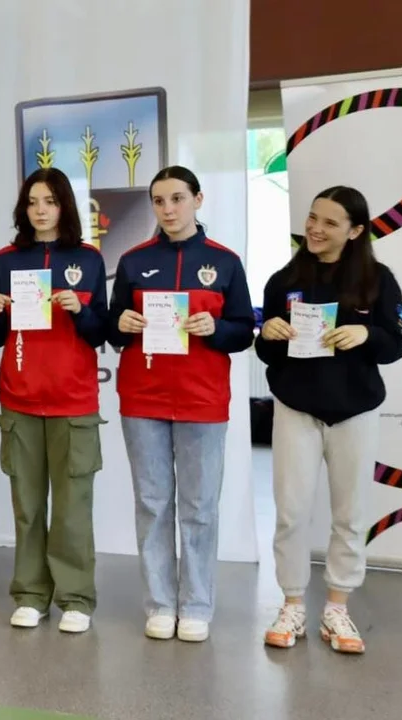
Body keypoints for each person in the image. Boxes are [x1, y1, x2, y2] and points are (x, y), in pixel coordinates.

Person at [255, 186, 402, 654]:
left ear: (355, 231)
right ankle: (292, 604)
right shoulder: (284, 279)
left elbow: (395, 344)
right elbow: (265, 351)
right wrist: (269, 333)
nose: (315, 229)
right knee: (291, 512)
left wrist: (367, 334)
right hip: (296, 409)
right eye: (312, 217)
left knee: (350, 514)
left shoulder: (378, 279)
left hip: (355, 410)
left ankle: (337, 607)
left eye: (330, 223)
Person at [109, 165, 255, 643]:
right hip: (143, 398)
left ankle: (195, 605)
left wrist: (217, 329)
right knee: (152, 504)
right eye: (159, 201)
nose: (168, 209)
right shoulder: (133, 261)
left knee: (199, 507)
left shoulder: (225, 262)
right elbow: (111, 325)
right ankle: (159, 604)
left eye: (177, 198)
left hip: (202, 400)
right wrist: (121, 324)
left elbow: (243, 331)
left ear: (198, 199)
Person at [0, 168, 108, 633]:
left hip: (73, 402)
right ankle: (31, 594)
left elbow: (101, 331)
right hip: (20, 401)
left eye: (50, 201)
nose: (40, 210)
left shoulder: (89, 259)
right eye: (33, 202)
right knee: (28, 507)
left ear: (64, 206)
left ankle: (76, 597)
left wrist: (81, 311)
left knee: (73, 509)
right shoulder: (5, 259)